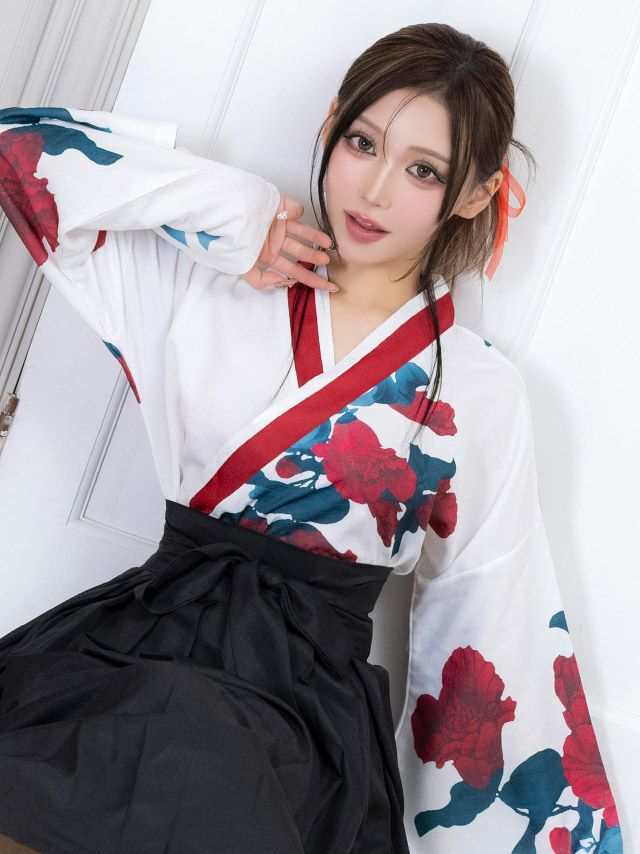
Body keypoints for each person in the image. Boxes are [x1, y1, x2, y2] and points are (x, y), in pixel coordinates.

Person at [0, 20, 623, 854]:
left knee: (202, 761)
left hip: (304, 718)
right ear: (332, 124)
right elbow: (18, 154)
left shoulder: (478, 392)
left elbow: (488, 610)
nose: (374, 191)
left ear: (476, 195)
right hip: (137, 644)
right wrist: (231, 213)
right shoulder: (202, 281)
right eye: (363, 143)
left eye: (424, 170)